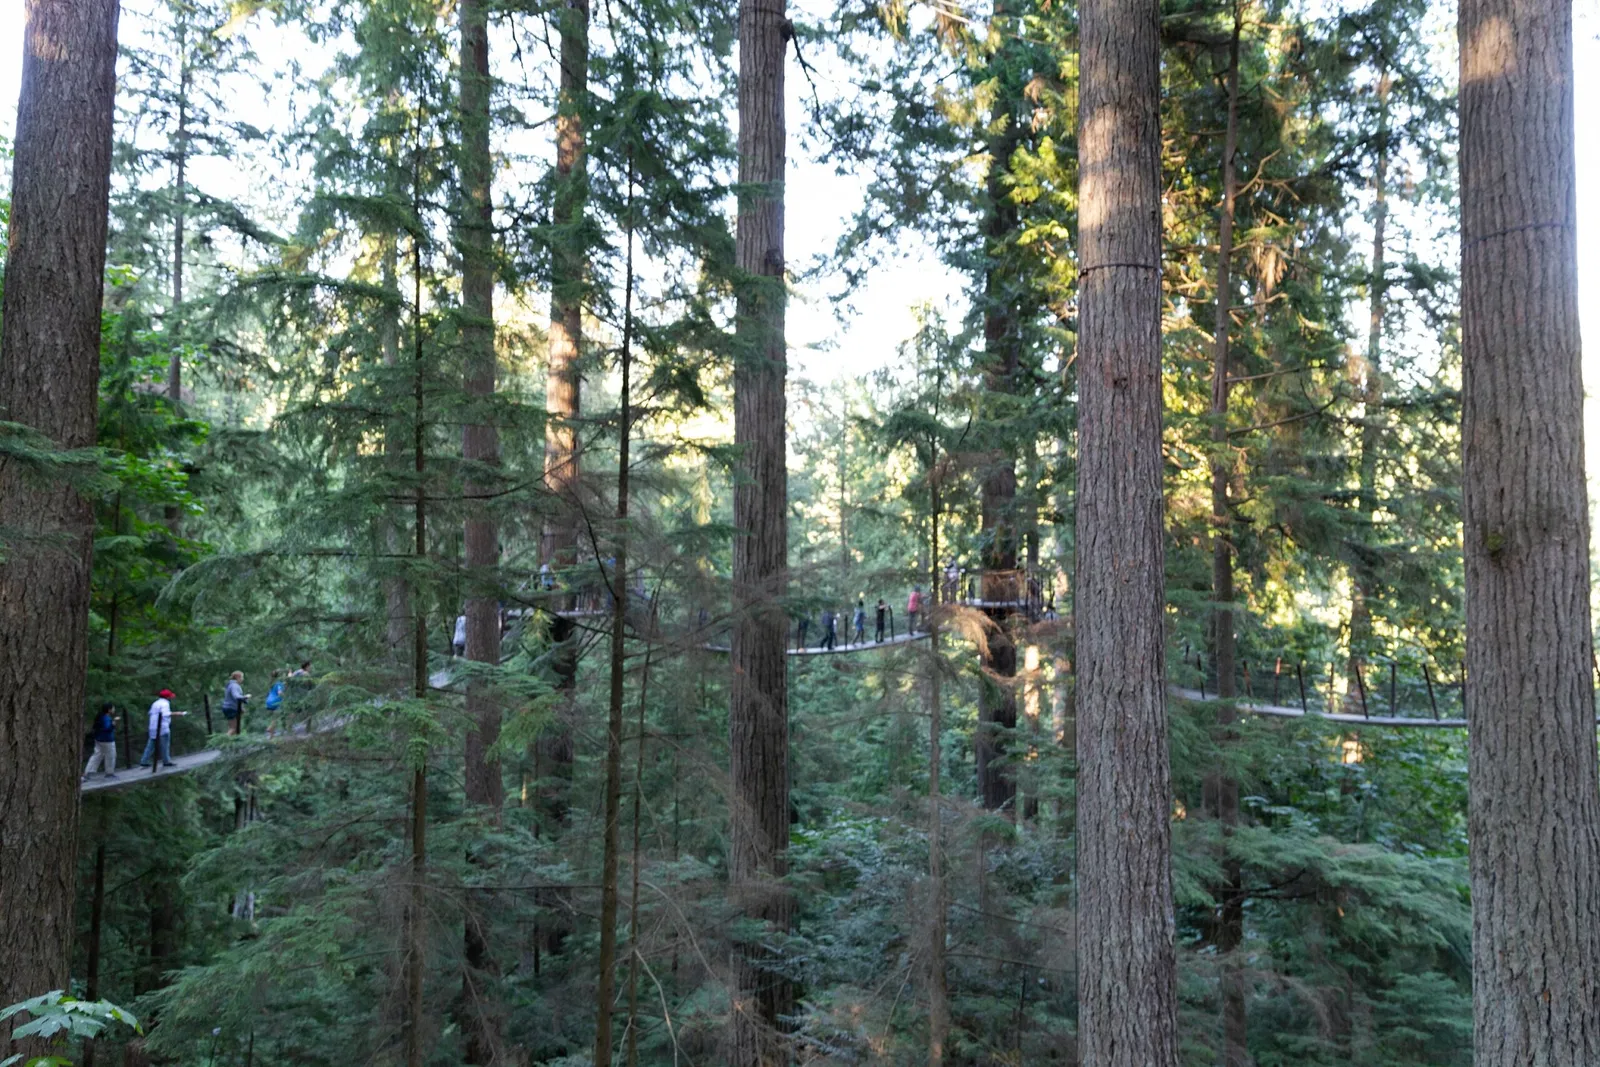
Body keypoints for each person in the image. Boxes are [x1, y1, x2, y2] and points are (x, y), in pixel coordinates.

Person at [140, 689, 184, 768]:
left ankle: (144, 760)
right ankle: (166, 761)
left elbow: (150, 713)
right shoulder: (165, 704)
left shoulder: (155, 703)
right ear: (167, 697)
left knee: (151, 744)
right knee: (165, 745)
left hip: (153, 727)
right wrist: (178, 713)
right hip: (162, 727)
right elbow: (165, 714)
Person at [83, 702, 118, 781]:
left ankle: (87, 772)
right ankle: (109, 773)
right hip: (107, 740)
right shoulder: (106, 718)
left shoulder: (100, 716)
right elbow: (107, 728)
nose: (114, 709)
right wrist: (113, 724)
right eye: (113, 708)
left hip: (99, 739)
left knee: (97, 755)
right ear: (109, 710)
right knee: (111, 755)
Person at [221, 671, 250, 736]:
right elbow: (236, 696)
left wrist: (242, 705)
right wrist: (245, 697)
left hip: (228, 707)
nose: (243, 679)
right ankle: (224, 740)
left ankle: (231, 741)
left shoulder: (231, 685)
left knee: (234, 728)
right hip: (231, 708)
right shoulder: (234, 686)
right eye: (242, 677)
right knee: (234, 728)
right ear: (237, 677)